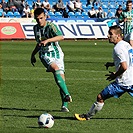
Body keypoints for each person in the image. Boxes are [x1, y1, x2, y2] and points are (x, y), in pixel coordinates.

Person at [75, 25, 133, 120]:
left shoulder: (117, 48)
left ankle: (87, 116)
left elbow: (124, 66)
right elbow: (128, 60)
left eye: (111, 34)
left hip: (123, 82)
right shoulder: (126, 45)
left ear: (118, 36)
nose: (108, 36)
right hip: (132, 80)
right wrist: (112, 63)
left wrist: (115, 74)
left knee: (100, 97)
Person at [31, 8, 72, 112]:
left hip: (57, 54)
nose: (39, 20)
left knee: (61, 80)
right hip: (45, 54)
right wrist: (33, 54)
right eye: (37, 19)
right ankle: (67, 94)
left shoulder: (51, 26)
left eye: (41, 18)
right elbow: (39, 43)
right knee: (56, 68)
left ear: (45, 16)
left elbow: (61, 37)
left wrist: (48, 40)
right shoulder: (35, 28)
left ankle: (64, 106)